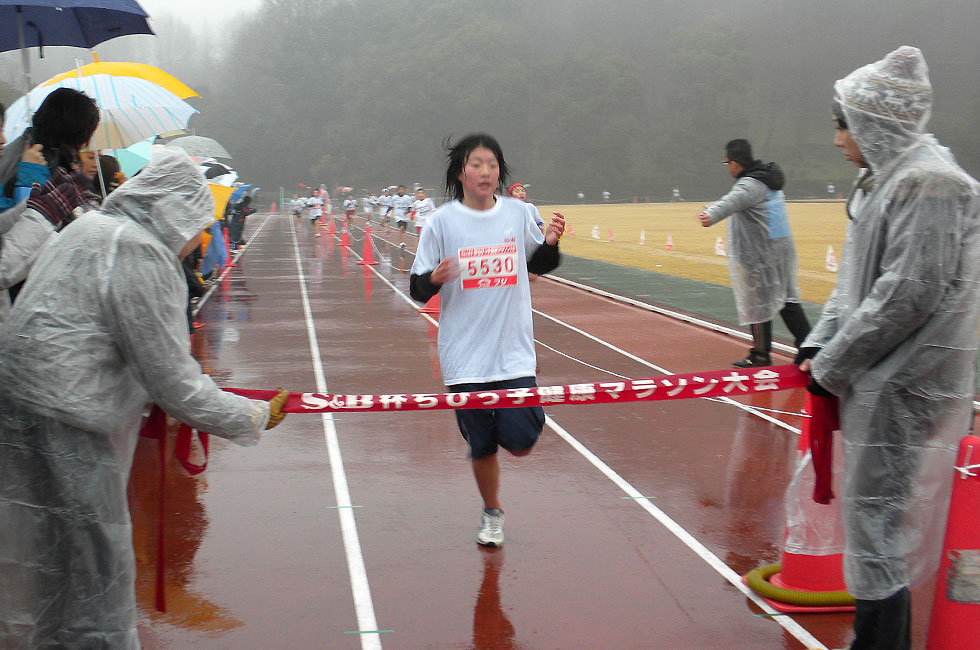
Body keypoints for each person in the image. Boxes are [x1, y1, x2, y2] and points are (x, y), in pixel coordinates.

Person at [0, 147, 291, 647]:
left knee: (35, 561)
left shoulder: (88, 230)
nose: (200, 237)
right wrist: (254, 415)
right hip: (69, 423)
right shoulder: (141, 253)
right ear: (173, 211)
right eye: (198, 223)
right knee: (96, 570)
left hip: (20, 406)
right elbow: (175, 383)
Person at [799, 46, 979, 650]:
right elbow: (854, 286)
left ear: (875, 121)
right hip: (878, 378)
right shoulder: (882, 182)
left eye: (840, 125)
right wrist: (820, 346)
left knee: (876, 523)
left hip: (906, 381)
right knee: (871, 519)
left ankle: (881, 644)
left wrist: (832, 366)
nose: (836, 141)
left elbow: (906, 296)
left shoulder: (930, 183)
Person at [410, 133, 565, 547]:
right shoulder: (441, 222)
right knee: (482, 445)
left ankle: (511, 420)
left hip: (512, 353)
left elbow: (541, 262)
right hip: (464, 357)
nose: (486, 172)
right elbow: (417, 288)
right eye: (476, 164)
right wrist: (435, 279)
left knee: (519, 439)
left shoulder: (517, 213)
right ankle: (492, 513)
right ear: (461, 172)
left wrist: (550, 242)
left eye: (492, 164)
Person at [698, 139, 809, 367]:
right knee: (787, 301)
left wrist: (710, 214)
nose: (727, 167)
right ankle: (810, 350)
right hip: (780, 250)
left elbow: (733, 201)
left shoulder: (750, 184)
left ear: (736, 163)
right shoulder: (767, 179)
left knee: (758, 303)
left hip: (762, 255)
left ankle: (760, 354)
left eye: (726, 162)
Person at [0, 88, 100, 319]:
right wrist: (30, 184)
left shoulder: (34, 153)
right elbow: (11, 259)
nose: (4, 140)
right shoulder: (34, 161)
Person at [391, 184, 414, 248]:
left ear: (404, 190)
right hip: (398, 216)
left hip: (405, 216)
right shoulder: (394, 198)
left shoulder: (408, 198)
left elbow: (411, 207)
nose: (401, 191)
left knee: (403, 230)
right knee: (401, 228)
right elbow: (391, 206)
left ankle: (401, 237)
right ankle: (402, 242)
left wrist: (408, 210)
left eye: (402, 189)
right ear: (397, 191)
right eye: (400, 189)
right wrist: (386, 213)